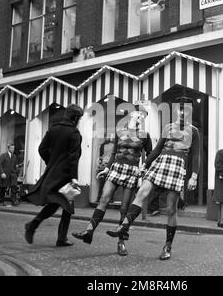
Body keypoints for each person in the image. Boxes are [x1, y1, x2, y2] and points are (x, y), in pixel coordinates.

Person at [106, 97, 200, 261]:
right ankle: (124, 227)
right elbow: (156, 150)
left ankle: (167, 246)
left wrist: (194, 176)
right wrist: (145, 164)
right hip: (161, 162)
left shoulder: (194, 131)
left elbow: (197, 154)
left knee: (171, 209)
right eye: (181, 109)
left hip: (178, 166)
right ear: (176, 110)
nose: (183, 112)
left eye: (187, 110)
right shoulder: (168, 127)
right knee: (142, 191)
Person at [72, 105, 152, 256]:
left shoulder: (145, 136)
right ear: (131, 116)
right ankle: (89, 231)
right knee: (104, 198)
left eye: (143, 116)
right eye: (137, 114)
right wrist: (107, 168)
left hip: (132, 172)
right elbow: (114, 152)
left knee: (124, 207)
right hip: (116, 169)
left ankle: (121, 242)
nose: (140, 117)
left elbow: (149, 154)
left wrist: (145, 167)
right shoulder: (120, 132)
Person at [24, 104, 83, 247]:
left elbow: (42, 149)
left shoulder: (53, 129)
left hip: (53, 173)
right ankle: (38, 227)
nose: (79, 121)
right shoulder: (74, 133)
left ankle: (43, 229)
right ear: (75, 118)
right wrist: (74, 177)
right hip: (66, 175)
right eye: (79, 118)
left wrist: (51, 162)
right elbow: (73, 157)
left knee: (59, 204)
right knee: (64, 205)